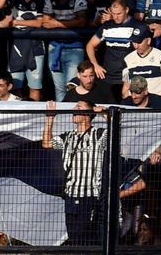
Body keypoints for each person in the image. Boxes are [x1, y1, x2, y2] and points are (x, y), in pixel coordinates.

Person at [42, 101, 108, 246]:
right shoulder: (68, 136)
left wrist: (102, 112)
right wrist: (50, 119)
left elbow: (117, 129)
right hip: (70, 196)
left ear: (88, 114)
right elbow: (46, 143)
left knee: (87, 238)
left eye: (79, 107)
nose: (74, 109)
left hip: (89, 196)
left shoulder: (98, 134)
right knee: (73, 238)